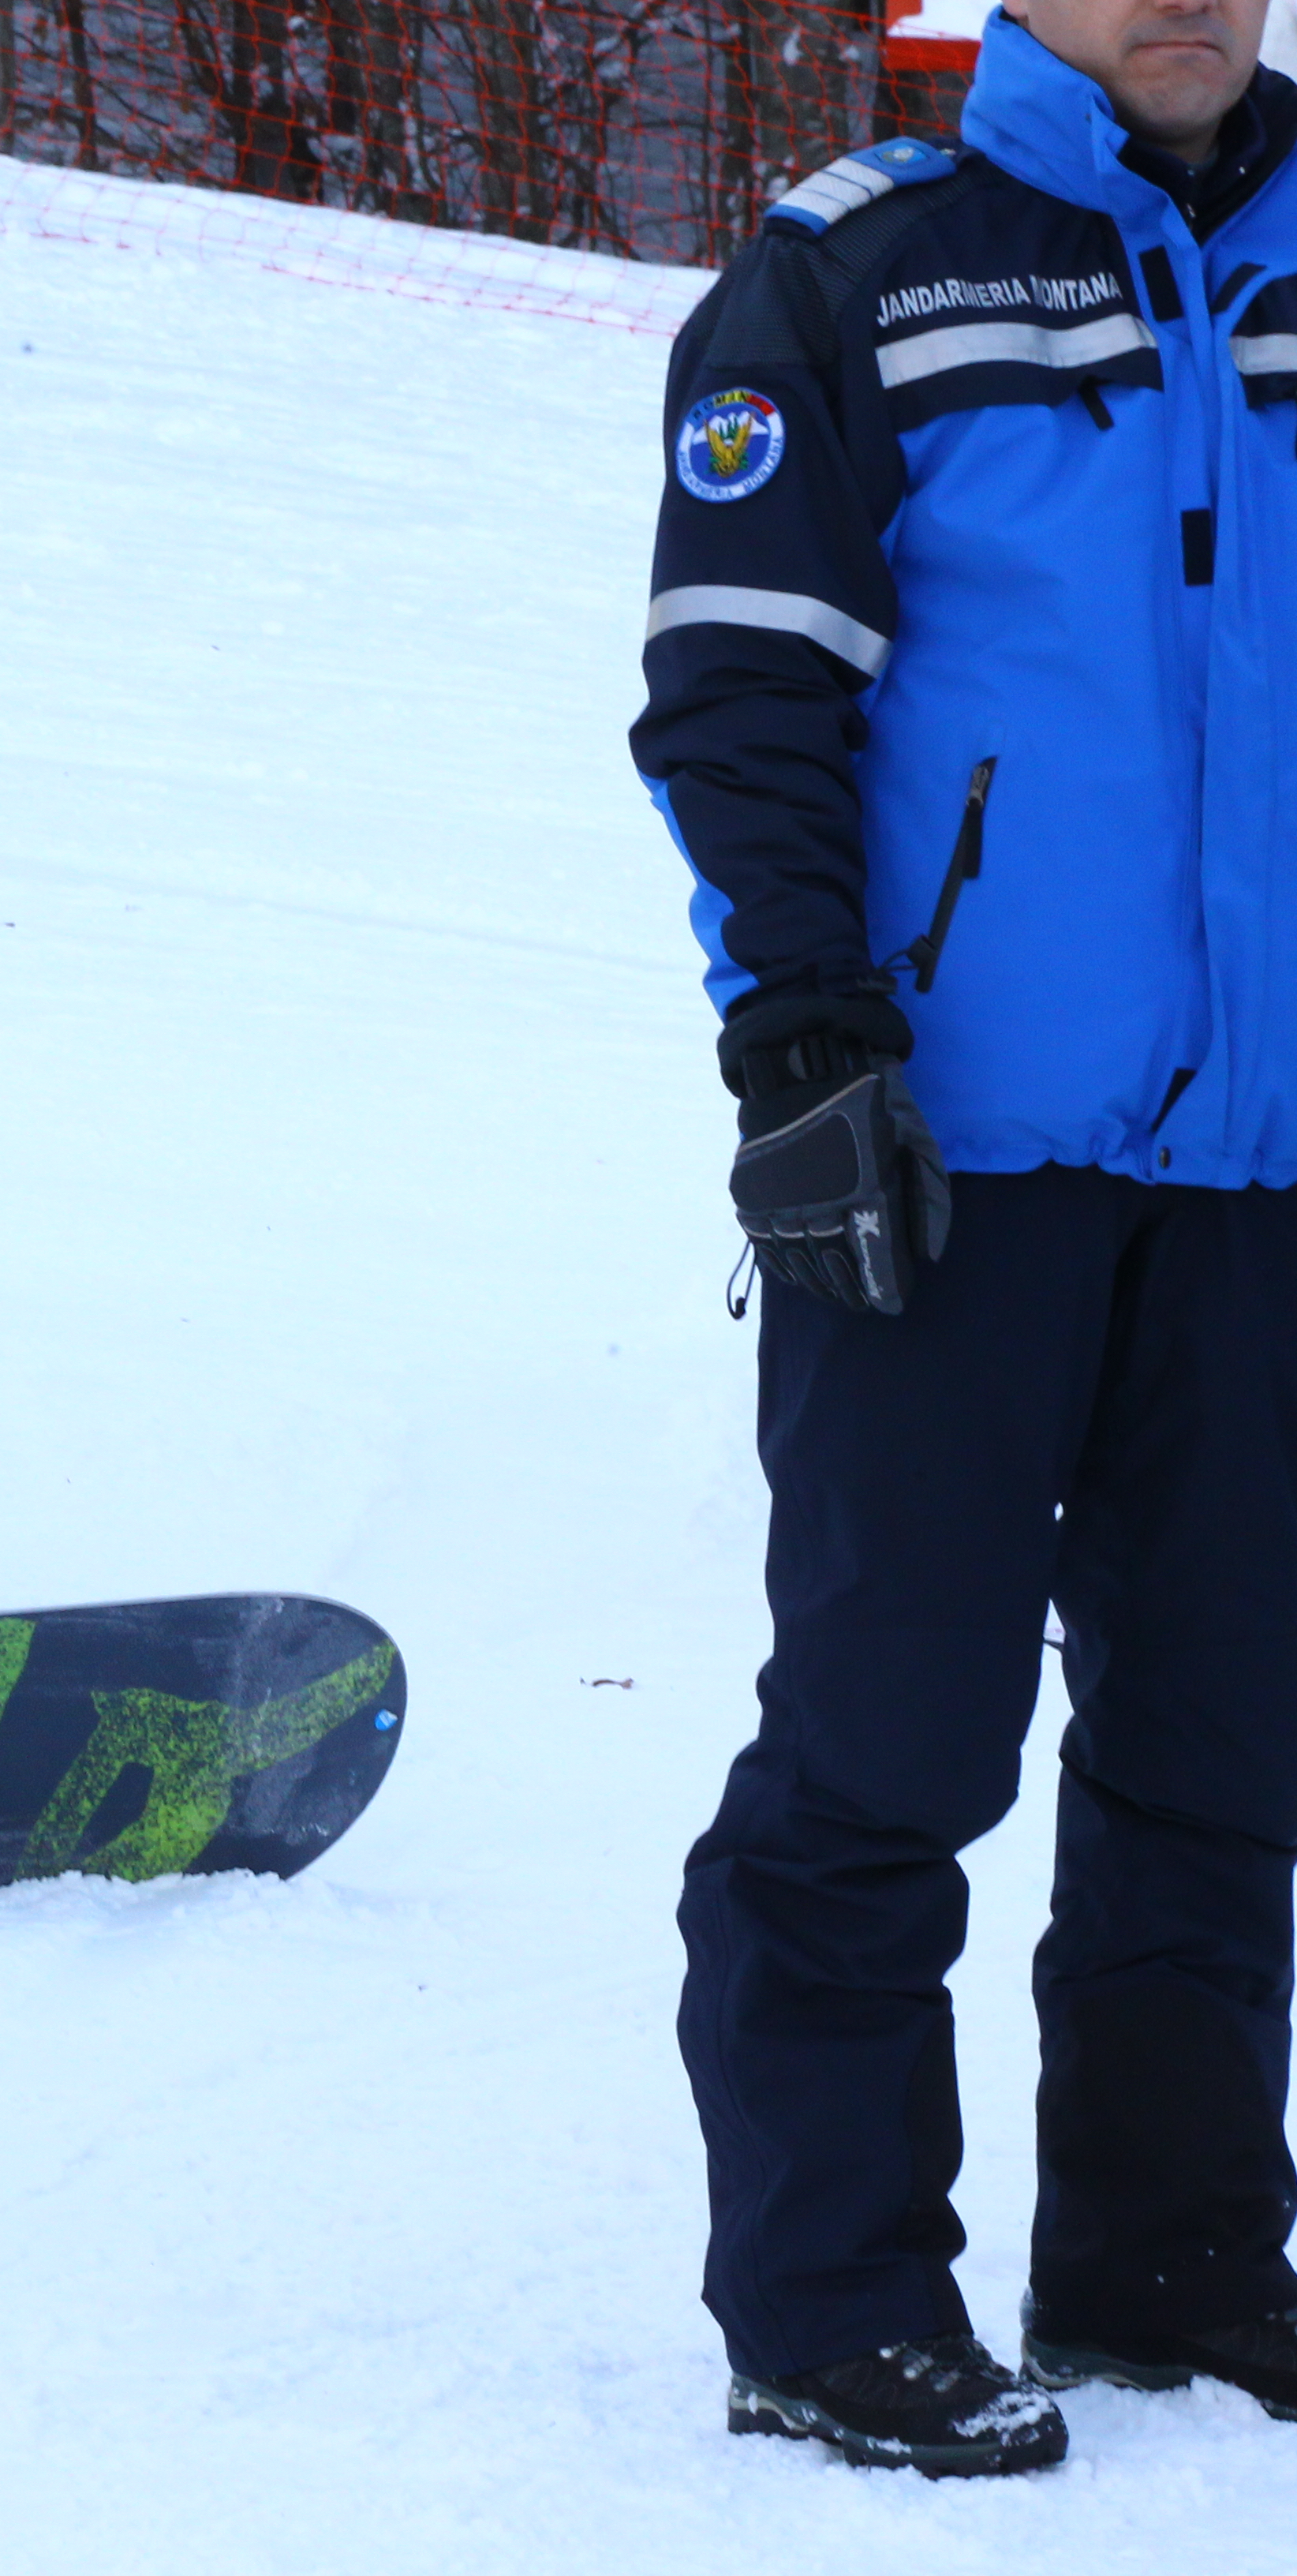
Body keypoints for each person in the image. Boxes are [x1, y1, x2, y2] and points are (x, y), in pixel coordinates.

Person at [636, 0, 1297, 2477]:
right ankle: (829, 2300)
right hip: (952, 1151)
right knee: (888, 1733)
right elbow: (740, 689)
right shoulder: (856, 271)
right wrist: (806, 1036)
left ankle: (1165, 2252)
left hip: (1267, 1160)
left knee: (1228, 1732)